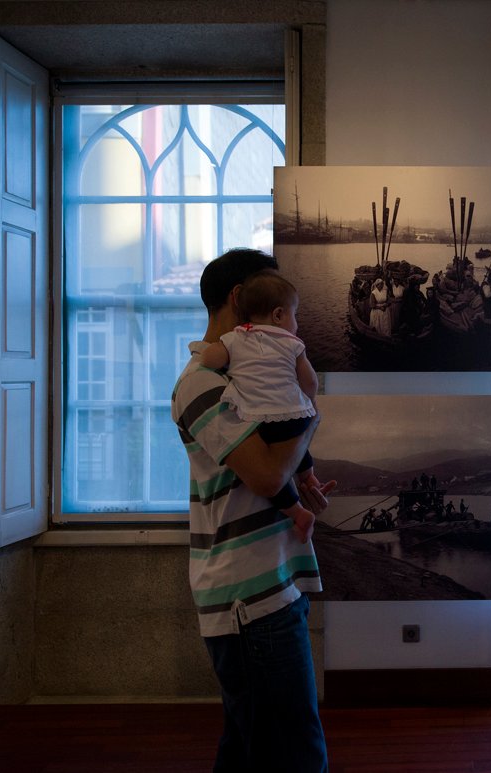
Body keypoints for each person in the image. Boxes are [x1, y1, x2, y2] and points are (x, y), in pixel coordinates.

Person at [171, 248, 335, 773]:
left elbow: (268, 471)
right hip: (248, 597)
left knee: (252, 748)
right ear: (240, 297)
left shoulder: (241, 375)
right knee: (294, 752)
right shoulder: (201, 382)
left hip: (270, 584)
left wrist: (301, 480)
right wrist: (310, 415)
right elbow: (265, 476)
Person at [199, 268, 318, 543]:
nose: (296, 323)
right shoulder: (292, 343)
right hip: (296, 414)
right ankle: (309, 477)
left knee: (275, 452)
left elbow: (209, 359)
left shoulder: (236, 338)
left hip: (260, 418)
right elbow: (310, 382)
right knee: (294, 443)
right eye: (295, 315)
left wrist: (217, 354)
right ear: (278, 315)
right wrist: (308, 406)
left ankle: (298, 512)